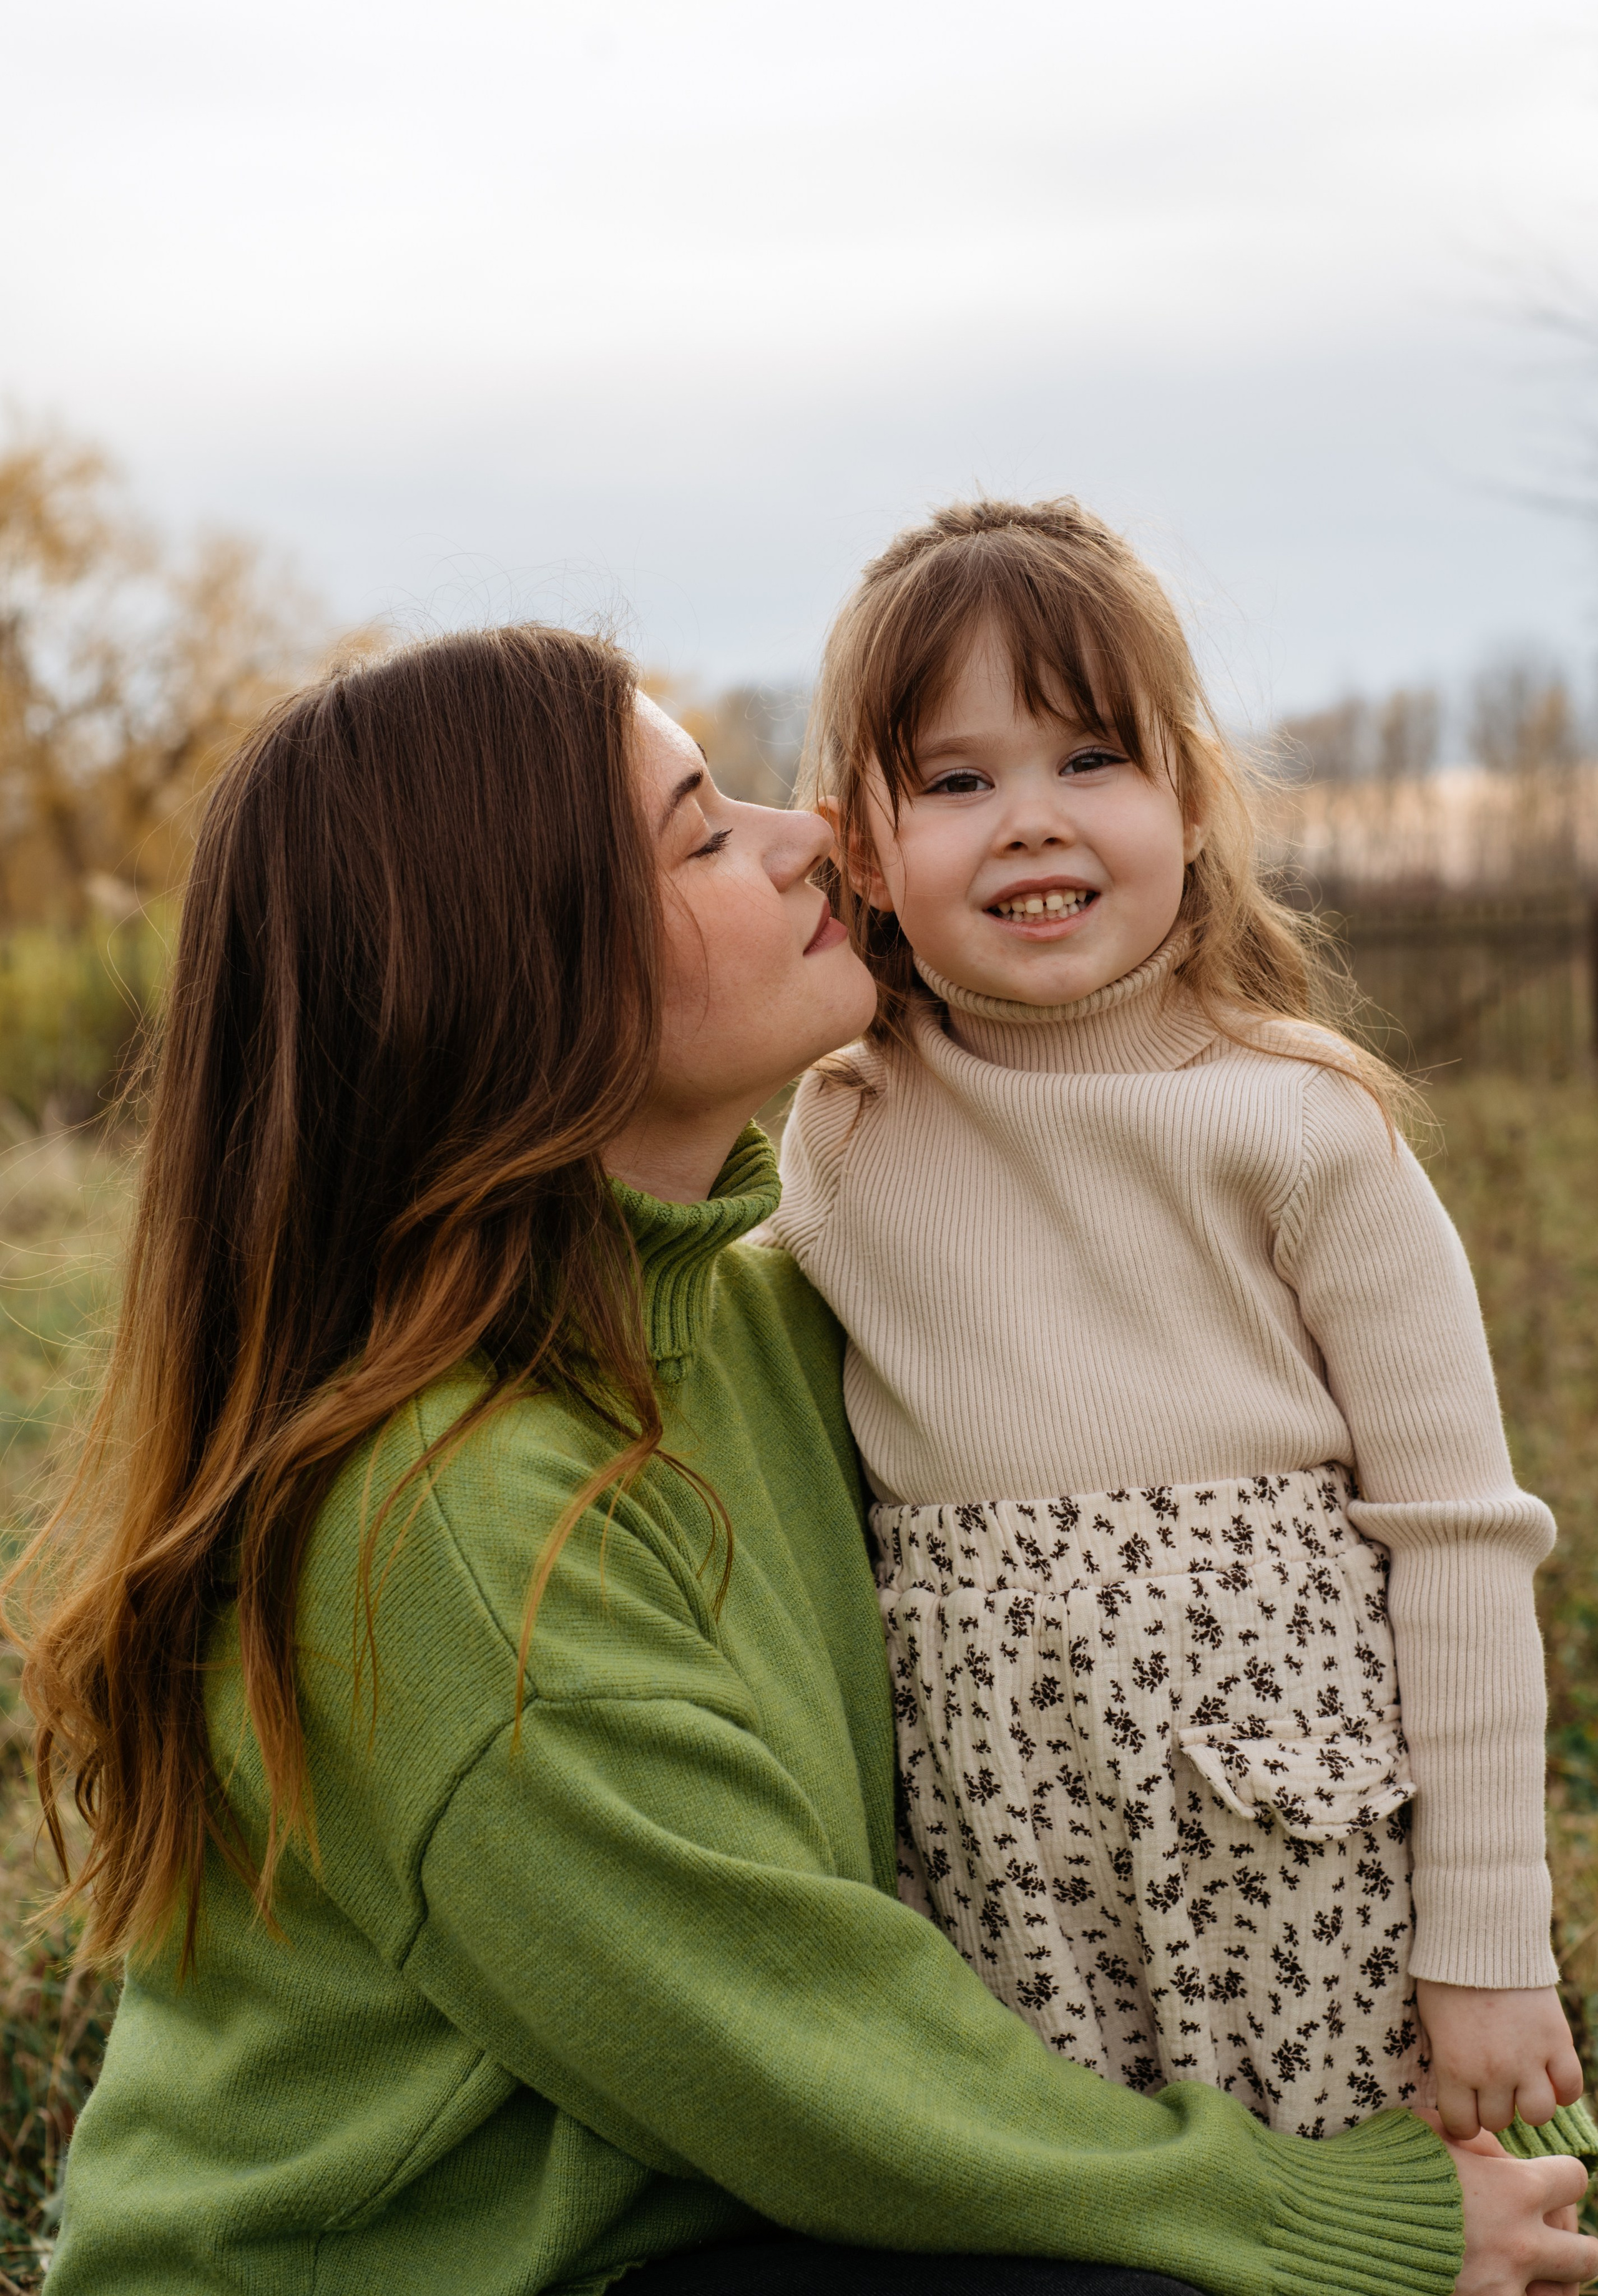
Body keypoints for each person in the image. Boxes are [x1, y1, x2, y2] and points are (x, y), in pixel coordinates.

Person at [6, 624, 1590, 2296]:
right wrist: (1342, 2225)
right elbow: (804, 2056)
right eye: (705, 835)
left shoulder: (760, 1330)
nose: (809, 836)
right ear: (518, 979)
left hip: (688, 2214)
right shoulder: (461, 1530)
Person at [767, 497, 1597, 2161]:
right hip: (1000, 1877)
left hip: (1297, 1856)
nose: (1028, 822)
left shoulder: (1297, 1123)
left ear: (1194, 799)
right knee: (1101, 2243)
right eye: (953, 780)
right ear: (860, 846)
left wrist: (1489, 1947)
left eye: (1091, 760)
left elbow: (1455, 1541)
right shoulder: (839, 1132)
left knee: (1381, 2222)